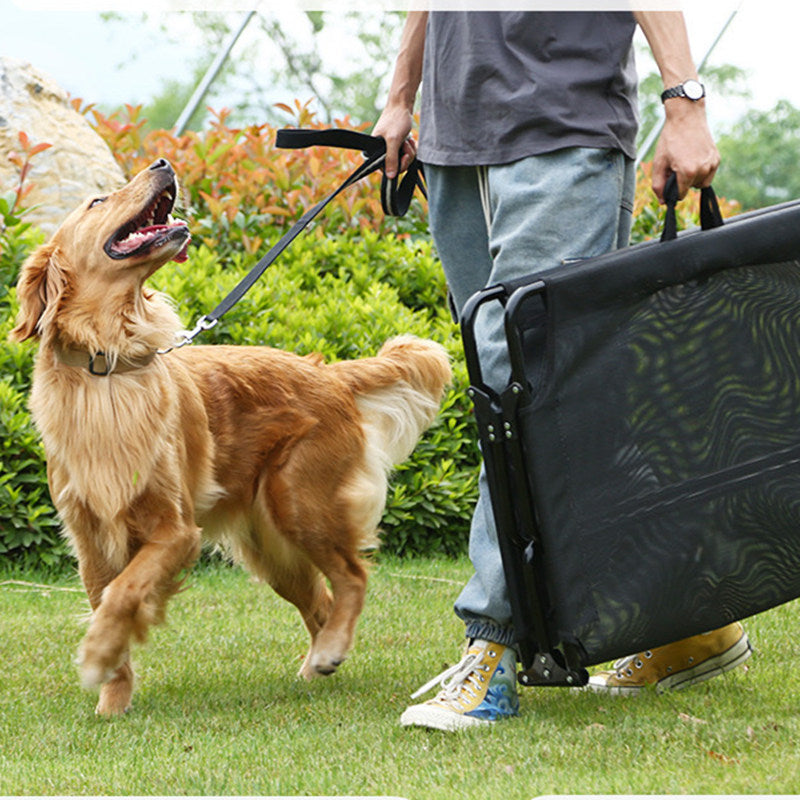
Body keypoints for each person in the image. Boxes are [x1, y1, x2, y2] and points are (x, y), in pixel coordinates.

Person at [373, 10, 752, 732]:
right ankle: (692, 621)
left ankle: (492, 644)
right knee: (566, 403)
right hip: (456, 144)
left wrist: (686, 102)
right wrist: (400, 95)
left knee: (523, 391)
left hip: (564, 133)